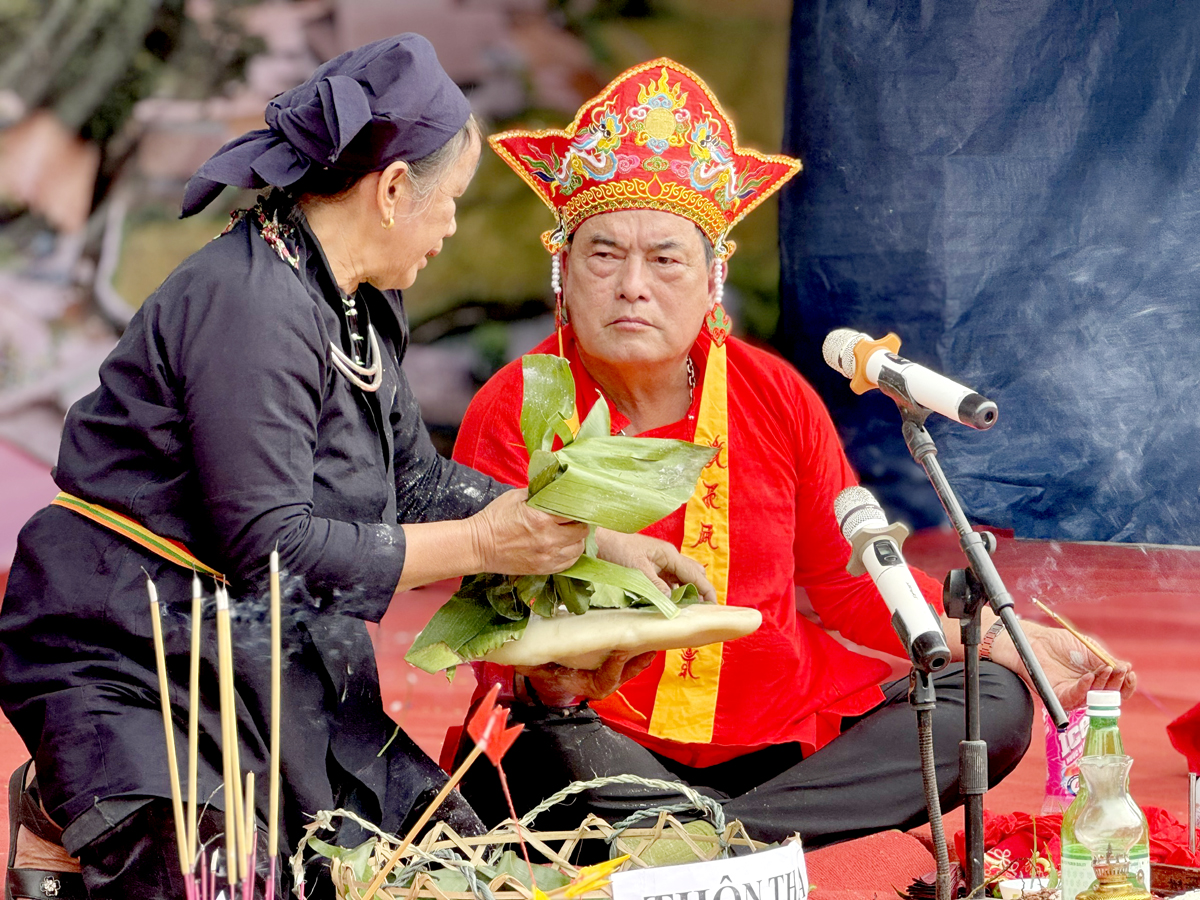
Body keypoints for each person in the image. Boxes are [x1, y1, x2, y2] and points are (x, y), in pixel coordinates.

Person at [0, 37, 706, 899]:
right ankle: (67, 796)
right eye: (447, 200)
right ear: (394, 188)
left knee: (446, 872)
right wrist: (486, 542)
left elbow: (411, 481)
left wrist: (600, 543)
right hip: (131, 644)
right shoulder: (250, 303)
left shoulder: (358, 300)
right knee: (234, 881)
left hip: (267, 649)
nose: (450, 224)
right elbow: (273, 548)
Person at [451, 58, 1137, 847]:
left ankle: (717, 839)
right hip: (598, 742)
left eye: (666, 259)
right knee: (535, 752)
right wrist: (551, 679)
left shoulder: (772, 392)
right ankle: (727, 843)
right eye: (604, 255)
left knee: (993, 703)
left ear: (712, 280)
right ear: (562, 272)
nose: (632, 285)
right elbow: (486, 620)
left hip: (784, 751)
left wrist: (1006, 642)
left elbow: (851, 585)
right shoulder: (517, 401)